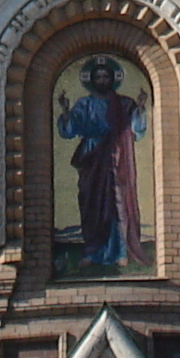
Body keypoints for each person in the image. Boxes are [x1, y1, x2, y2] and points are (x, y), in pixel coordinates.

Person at [57, 55, 149, 268]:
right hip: (91, 158)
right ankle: (92, 252)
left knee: (116, 203)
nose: (101, 80)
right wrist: (64, 110)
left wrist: (142, 107)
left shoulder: (124, 103)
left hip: (116, 158)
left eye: (105, 76)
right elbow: (69, 132)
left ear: (111, 79)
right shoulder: (85, 104)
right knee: (91, 204)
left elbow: (137, 130)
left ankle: (120, 251)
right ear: (91, 80)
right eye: (97, 76)